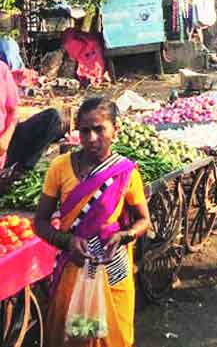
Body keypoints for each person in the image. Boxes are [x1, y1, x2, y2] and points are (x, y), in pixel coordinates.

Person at [34, 97, 150, 347]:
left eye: (99, 129)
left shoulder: (125, 172)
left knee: (112, 335)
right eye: (84, 131)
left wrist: (124, 236)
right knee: (77, 335)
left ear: (115, 131)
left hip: (112, 266)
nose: (92, 138)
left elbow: (143, 221)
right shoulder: (60, 167)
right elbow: (40, 222)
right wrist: (67, 241)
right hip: (73, 267)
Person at [0, 60, 65, 183]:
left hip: (6, 146)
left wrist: (5, 139)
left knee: (52, 118)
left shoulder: (2, 69)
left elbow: (13, 111)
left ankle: (18, 173)